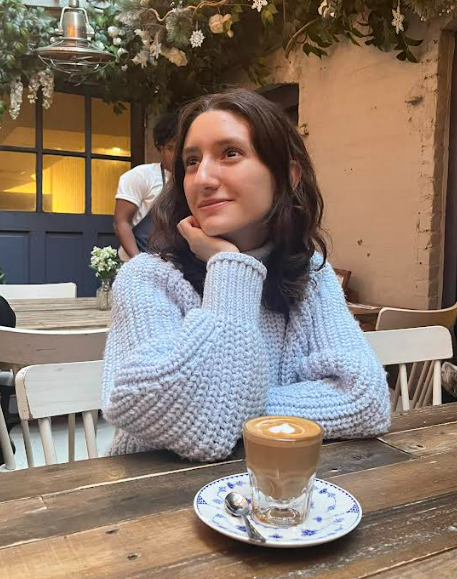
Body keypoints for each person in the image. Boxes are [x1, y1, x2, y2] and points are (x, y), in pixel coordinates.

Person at [102, 89, 391, 462]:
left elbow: (366, 400)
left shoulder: (310, 277)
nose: (203, 178)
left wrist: (227, 404)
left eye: (230, 153)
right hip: (156, 502)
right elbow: (188, 427)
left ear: (287, 175)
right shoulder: (148, 278)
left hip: (274, 495)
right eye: (191, 161)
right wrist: (228, 267)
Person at [113, 112, 178, 261]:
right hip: (137, 262)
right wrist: (138, 262)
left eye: (180, 149)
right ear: (160, 147)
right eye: (170, 148)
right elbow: (121, 222)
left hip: (174, 266)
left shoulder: (193, 181)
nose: (176, 155)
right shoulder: (141, 176)